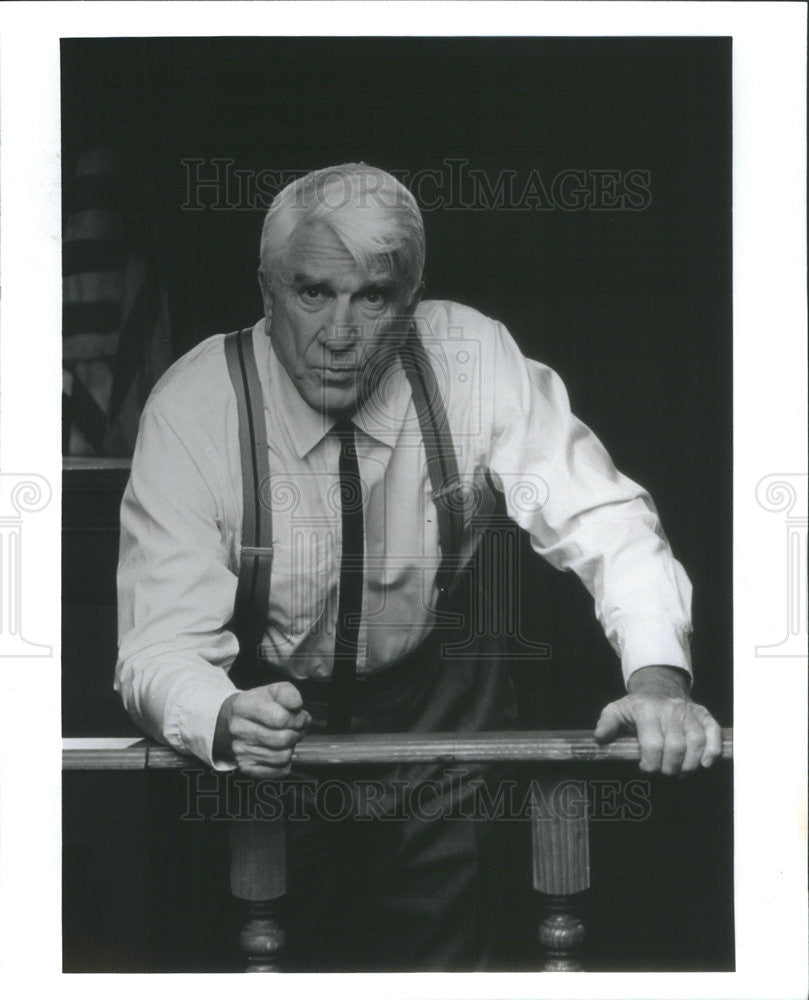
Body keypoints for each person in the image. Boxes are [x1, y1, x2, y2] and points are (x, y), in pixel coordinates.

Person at [116, 163, 722, 970]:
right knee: (291, 951)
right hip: (274, 718)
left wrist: (657, 680)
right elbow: (156, 646)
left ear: (412, 296)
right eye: (310, 293)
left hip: (436, 708)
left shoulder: (470, 355)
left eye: (372, 297)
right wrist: (220, 714)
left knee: (445, 955)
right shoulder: (192, 410)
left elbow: (602, 515)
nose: (339, 333)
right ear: (265, 293)